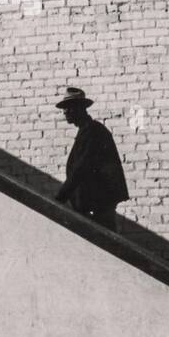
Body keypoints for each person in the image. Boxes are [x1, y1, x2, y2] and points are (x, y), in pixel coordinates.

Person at [53, 87, 129, 231]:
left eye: (70, 108)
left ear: (81, 108)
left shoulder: (92, 132)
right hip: (95, 204)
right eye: (64, 109)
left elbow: (81, 168)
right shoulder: (88, 131)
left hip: (98, 205)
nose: (65, 112)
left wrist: (60, 197)